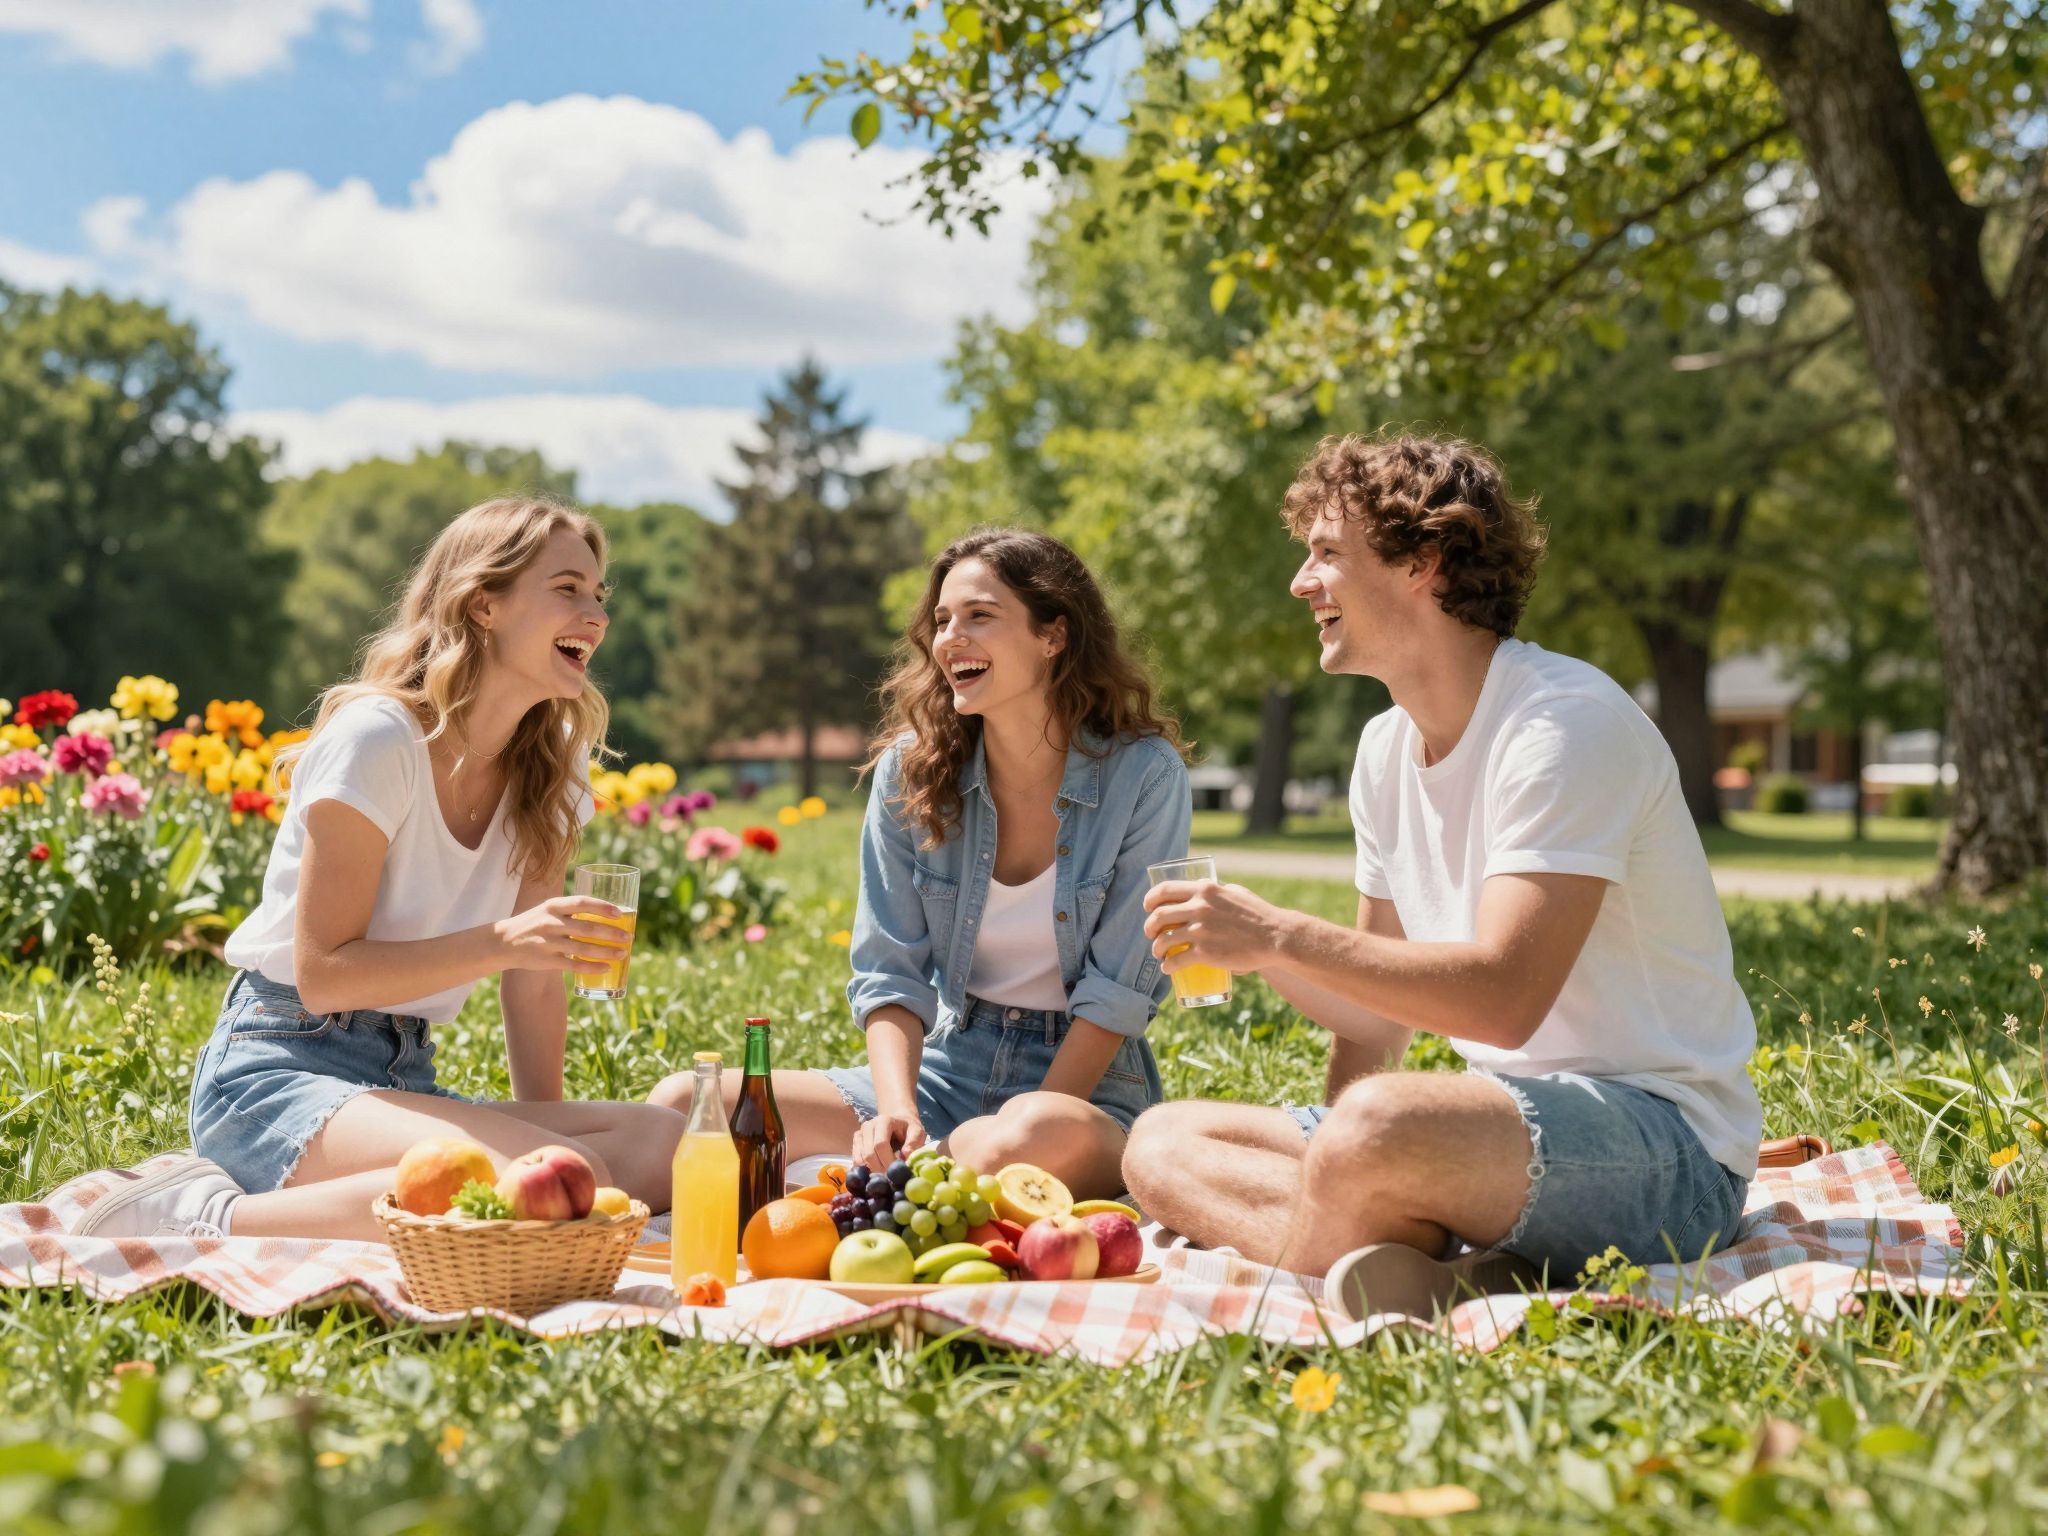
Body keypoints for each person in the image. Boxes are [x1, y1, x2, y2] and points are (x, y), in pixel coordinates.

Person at [1123, 432, 1761, 1317]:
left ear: (1423, 563)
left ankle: (1387, 1252)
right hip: (1502, 1127)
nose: (1302, 584)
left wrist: (1279, 935)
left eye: (1326, 555)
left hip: (1669, 1151)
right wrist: (1258, 962)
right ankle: (1427, 1259)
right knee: (1158, 1141)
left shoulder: (1562, 724)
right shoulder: (1384, 748)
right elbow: (1376, 1019)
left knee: (1376, 1128)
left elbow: (1504, 997)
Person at [78, 498, 686, 1243]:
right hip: (280, 1066)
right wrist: (502, 943)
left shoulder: (550, 772)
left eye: (599, 595)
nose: (595, 614)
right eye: (568, 589)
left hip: (403, 1076)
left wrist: (558, 1161)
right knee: (510, 1176)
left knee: (665, 1142)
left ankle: (432, 1188)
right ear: (483, 604)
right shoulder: (379, 739)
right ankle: (205, 1222)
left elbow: (532, 987)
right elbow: (325, 973)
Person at [652, 529, 1191, 1198]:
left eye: (980, 616)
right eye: (941, 621)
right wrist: (896, 1111)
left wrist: (1016, 1133)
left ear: (1053, 635)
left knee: (1012, 1143)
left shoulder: (1143, 776)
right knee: (687, 1108)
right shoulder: (911, 772)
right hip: (945, 1066)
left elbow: (1118, 994)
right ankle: (902, 1176)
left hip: (1080, 1092)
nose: (949, 639)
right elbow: (889, 972)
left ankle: (898, 1186)